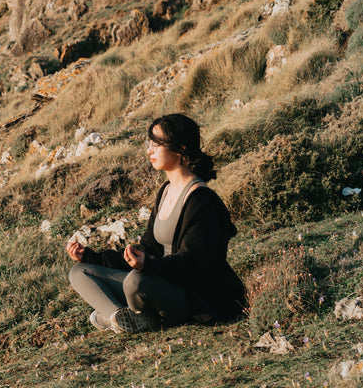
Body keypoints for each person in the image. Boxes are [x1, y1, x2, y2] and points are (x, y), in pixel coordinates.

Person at [66, 113, 246, 333]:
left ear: (180, 148)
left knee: (135, 282)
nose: (149, 150)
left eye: (156, 144)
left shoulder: (201, 199)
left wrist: (149, 266)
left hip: (190, 294)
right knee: (79, 272)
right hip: (157, 280)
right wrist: (89, 256)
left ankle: (130, 317)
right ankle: (119, 317)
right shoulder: (166, 191)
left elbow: (195, 263)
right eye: (149, 144)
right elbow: (148, 249)